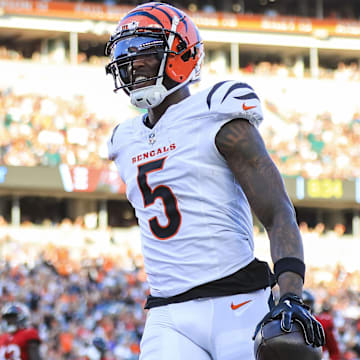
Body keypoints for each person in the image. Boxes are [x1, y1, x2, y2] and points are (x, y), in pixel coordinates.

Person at [105, 2, 325, 359]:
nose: (133, 63)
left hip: (237, 302)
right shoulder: (122, 139)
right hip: (167, 312)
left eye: (144, 50)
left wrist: (290, 295)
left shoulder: (218, 111)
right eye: (126, 53)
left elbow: (277, 211)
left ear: (181, 54)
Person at [303, 290, 342, 360]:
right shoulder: (286, 323)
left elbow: (334, 351)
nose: (304, 307)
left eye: (307, 303)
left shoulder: (323, 322)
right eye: (302, 303)